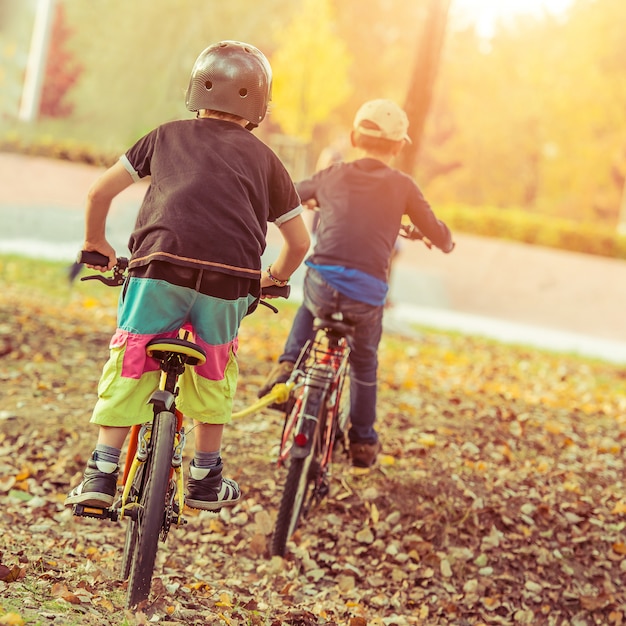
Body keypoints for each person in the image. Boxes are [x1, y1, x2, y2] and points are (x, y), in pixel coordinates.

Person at [65, 40, 310, 511]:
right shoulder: (268, 162)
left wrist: (96, 244)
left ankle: (101, 473)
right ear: (259, 104)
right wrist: (271, 277)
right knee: (214, 371)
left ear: (196, 89)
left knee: (132, 360)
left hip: (158, 268)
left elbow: (99, 193)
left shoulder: (164, 136)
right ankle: (204, 478)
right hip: (230, 283)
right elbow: (299, 244)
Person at [258, 99, 454, 470]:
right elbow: (435, 231)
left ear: (352, 137)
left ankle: (286, 365)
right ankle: (362, 441)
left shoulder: (331, 175)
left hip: (322, 284)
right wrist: (444, 239)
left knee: (310, 301)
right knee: (364, 364)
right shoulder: (403, 187)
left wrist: (316, 200)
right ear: (398, 146)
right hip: (366, 297)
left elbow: (283, 196)